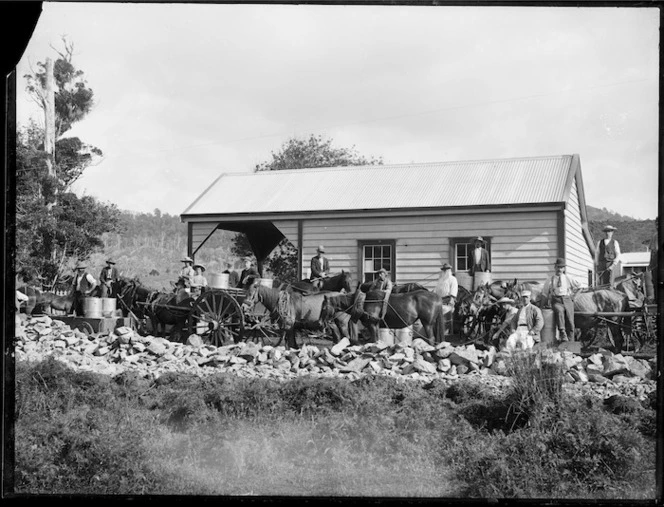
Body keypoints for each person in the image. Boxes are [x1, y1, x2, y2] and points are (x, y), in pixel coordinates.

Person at [541, 257, 582, 343]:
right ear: (554, 267)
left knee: (570, 322)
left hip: (567, 300)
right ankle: (562, 332)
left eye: (561, 267)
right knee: (559, 311)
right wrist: (542, 306)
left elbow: (580, 287)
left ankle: (571, 343)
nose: (559, 269)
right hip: (556, 301)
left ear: (564, 269)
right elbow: (544, 294)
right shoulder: (550, 280)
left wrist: (574, 297)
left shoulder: (568, 278)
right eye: (558, 267)